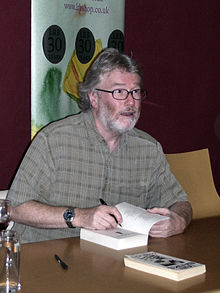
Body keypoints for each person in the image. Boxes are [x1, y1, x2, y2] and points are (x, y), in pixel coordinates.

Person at [7, 48, 192, 243]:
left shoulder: (148, 149)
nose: (131, 102)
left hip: (116, 261)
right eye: (119, 91)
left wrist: (179, 220)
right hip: (49, 258)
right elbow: (16, 208)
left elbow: (180, 203)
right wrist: (79, 216)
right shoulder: (53, 141)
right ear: (93, 97)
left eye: (135, 91)